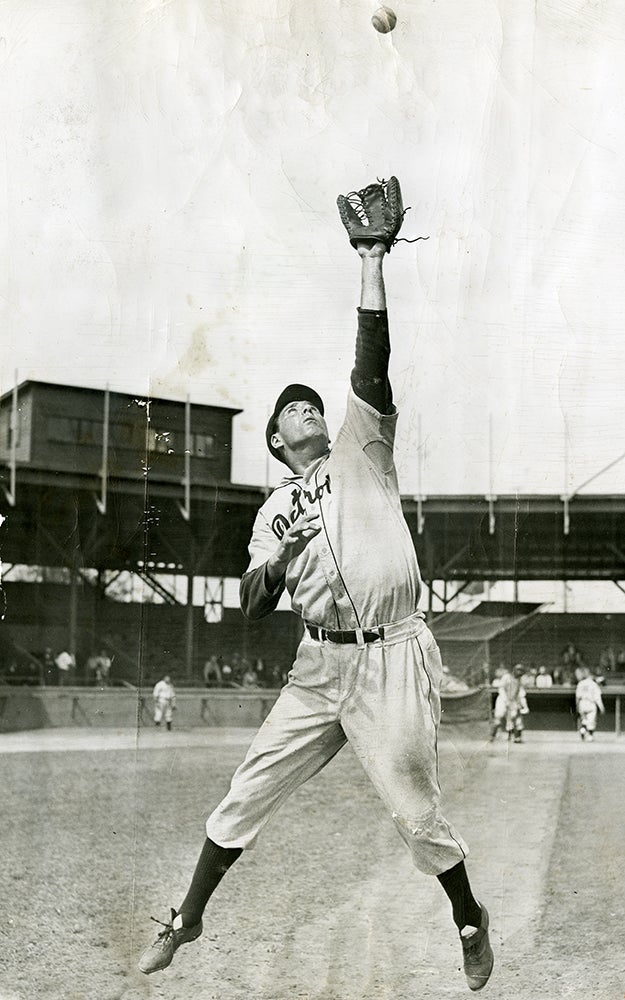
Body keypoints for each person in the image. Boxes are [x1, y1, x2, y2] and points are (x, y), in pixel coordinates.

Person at [138, 177, 493, 991]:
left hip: (391, 656)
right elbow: (251, 602)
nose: (305, 410)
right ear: (272, 437)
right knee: (246, 789)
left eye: (310, 404)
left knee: (414, 812)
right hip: (317, 666)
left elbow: (372, 359)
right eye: (290, 410)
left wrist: (370, 264)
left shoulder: (359, 449)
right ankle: (186, 919)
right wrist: (278, 557)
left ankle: (468, 920)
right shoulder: (270, 510)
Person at [490, 665, 529, 743]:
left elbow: (519, 693)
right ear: (514, 670)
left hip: (512, 701)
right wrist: (506, 700)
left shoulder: (519, 680)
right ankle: (492, 736)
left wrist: (521, 704)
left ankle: (515, 738)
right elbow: (501, 689)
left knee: (514, 718)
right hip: (502, 699)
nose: (519, 672)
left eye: (521, 671)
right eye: (518, 670)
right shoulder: (506, 677)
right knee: (498, 718)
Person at [575, 668, 605, 741]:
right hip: (591, 704)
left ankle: (582, 732)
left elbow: (577, 697)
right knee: (591, 721)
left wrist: (577, 706)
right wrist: (601, 707)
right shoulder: (594, 684)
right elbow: (597, 697)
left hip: (582, 703)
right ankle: (590, 736)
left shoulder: (580, 683)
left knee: (584, 721)